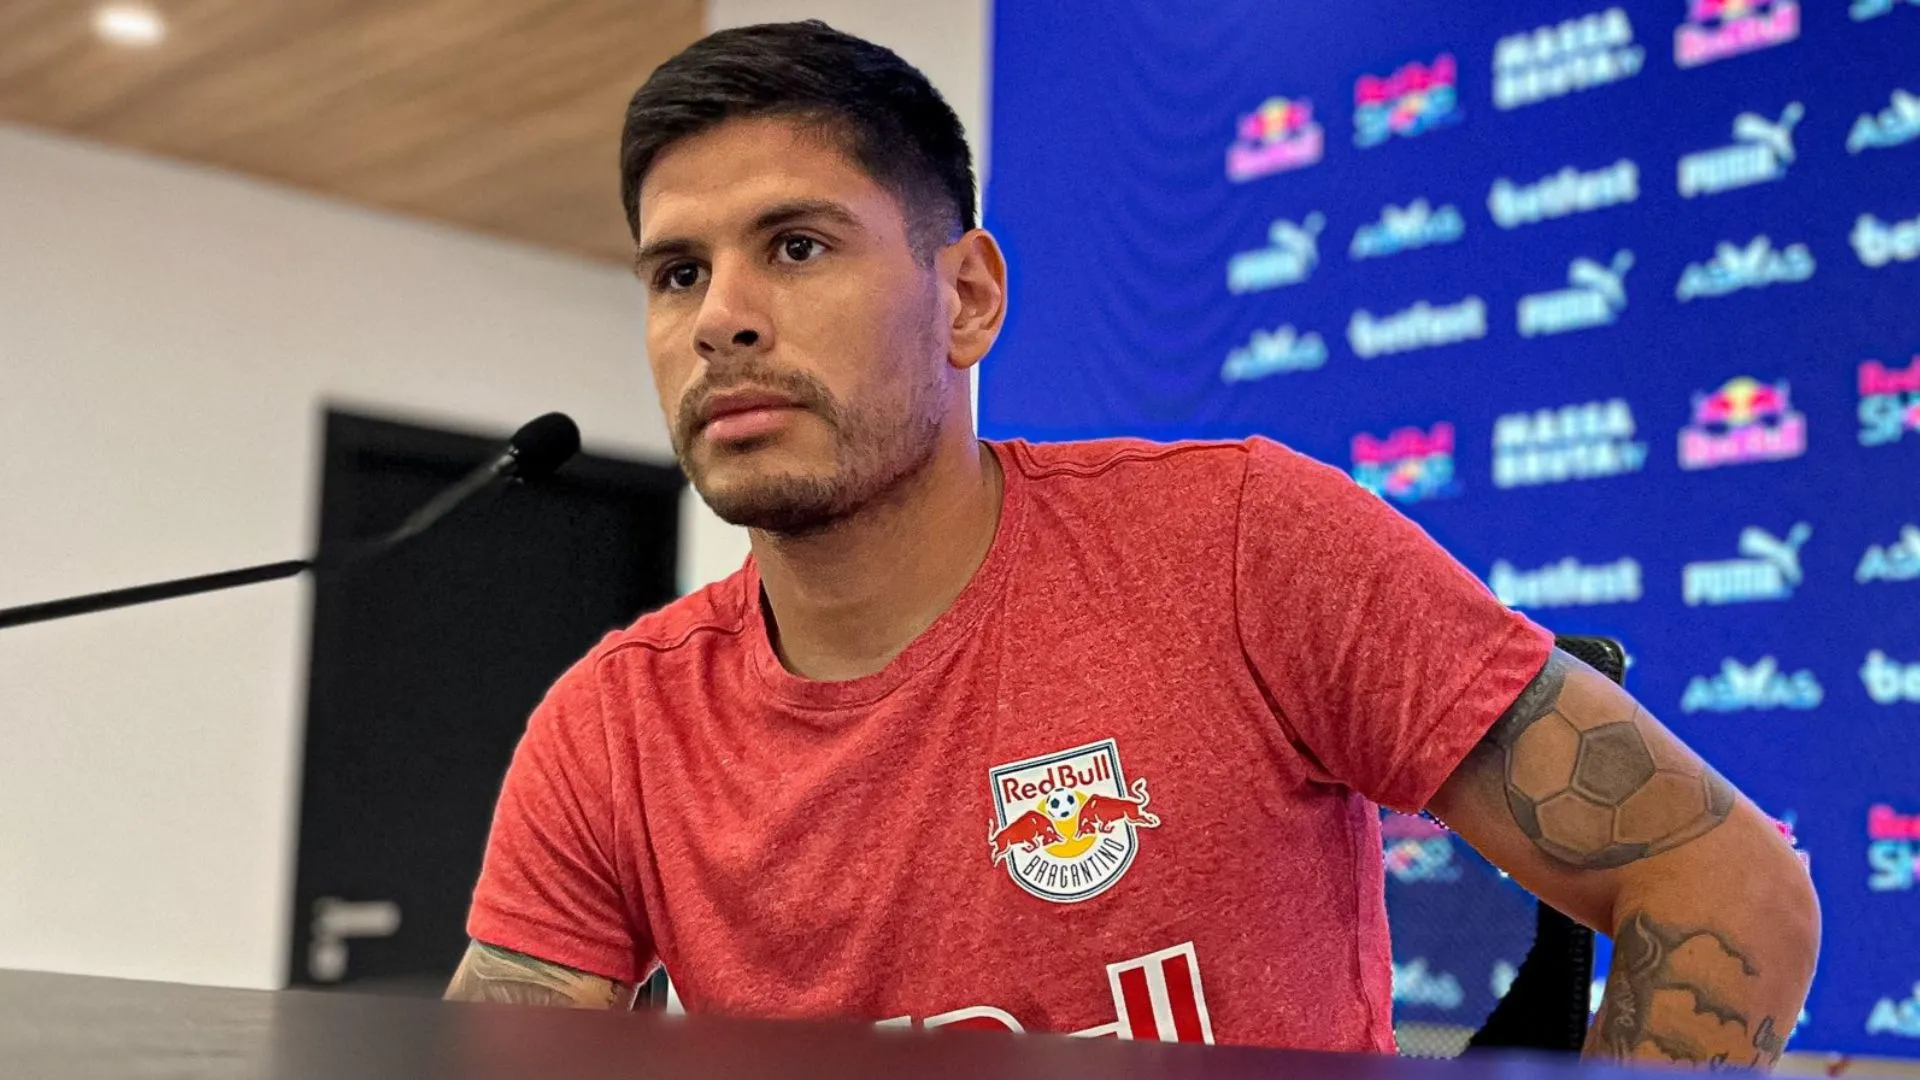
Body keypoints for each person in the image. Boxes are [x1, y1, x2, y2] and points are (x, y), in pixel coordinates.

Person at [446, 19, 1818, 1066]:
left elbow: (1728, 885)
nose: (720, 319)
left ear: (967, 298)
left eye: (797, 247)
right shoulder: (613, 727)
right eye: (678, 272)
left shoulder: (1240, 544)